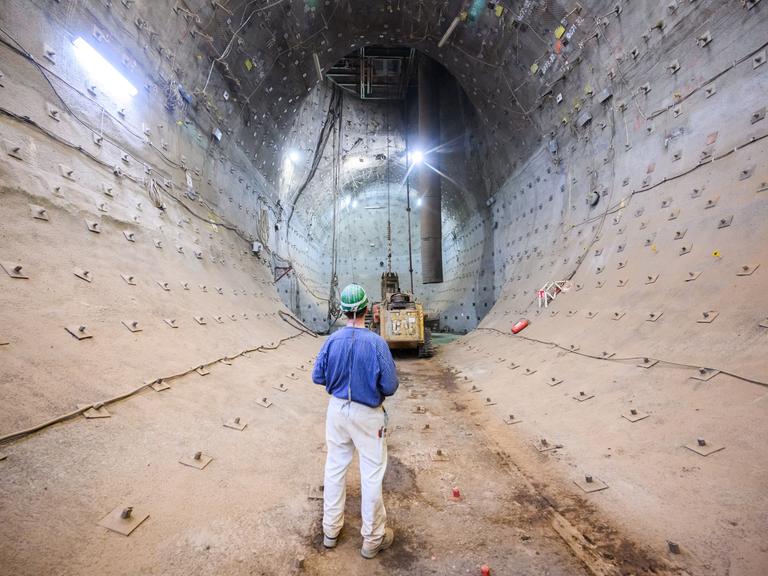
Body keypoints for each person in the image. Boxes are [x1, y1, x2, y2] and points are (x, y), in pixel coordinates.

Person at [311, 283, 399, 559]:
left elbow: (318, 376)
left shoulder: (332, 340)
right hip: (367, 413)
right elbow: (391, 385)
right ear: (365, 309)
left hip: (337, 411)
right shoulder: (376, 343)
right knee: (372, 474)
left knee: (335, 468)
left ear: (344, 310)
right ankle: (372, 539)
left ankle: (330, 531)